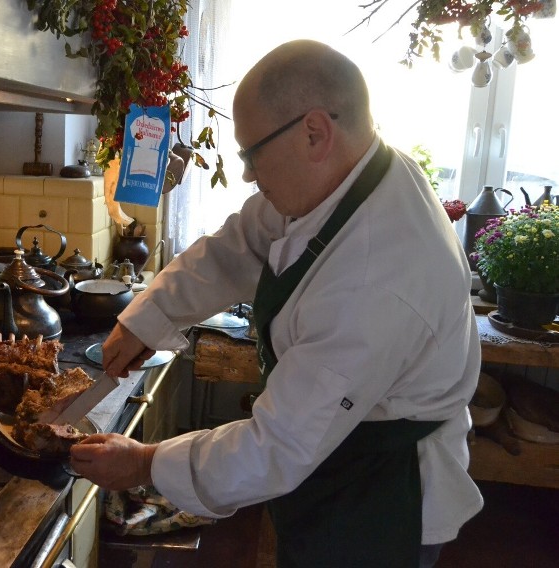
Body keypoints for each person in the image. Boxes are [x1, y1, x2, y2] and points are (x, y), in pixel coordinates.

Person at [69, 39, 484, 567]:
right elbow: (240, 242)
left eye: (251, 152)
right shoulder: (351, 177)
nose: (246, 173)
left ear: (315, 132)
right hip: (336, 460)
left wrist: (144, 464)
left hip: (379, 498)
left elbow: (275, 447)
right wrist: (147, 320)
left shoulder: (377, 277)